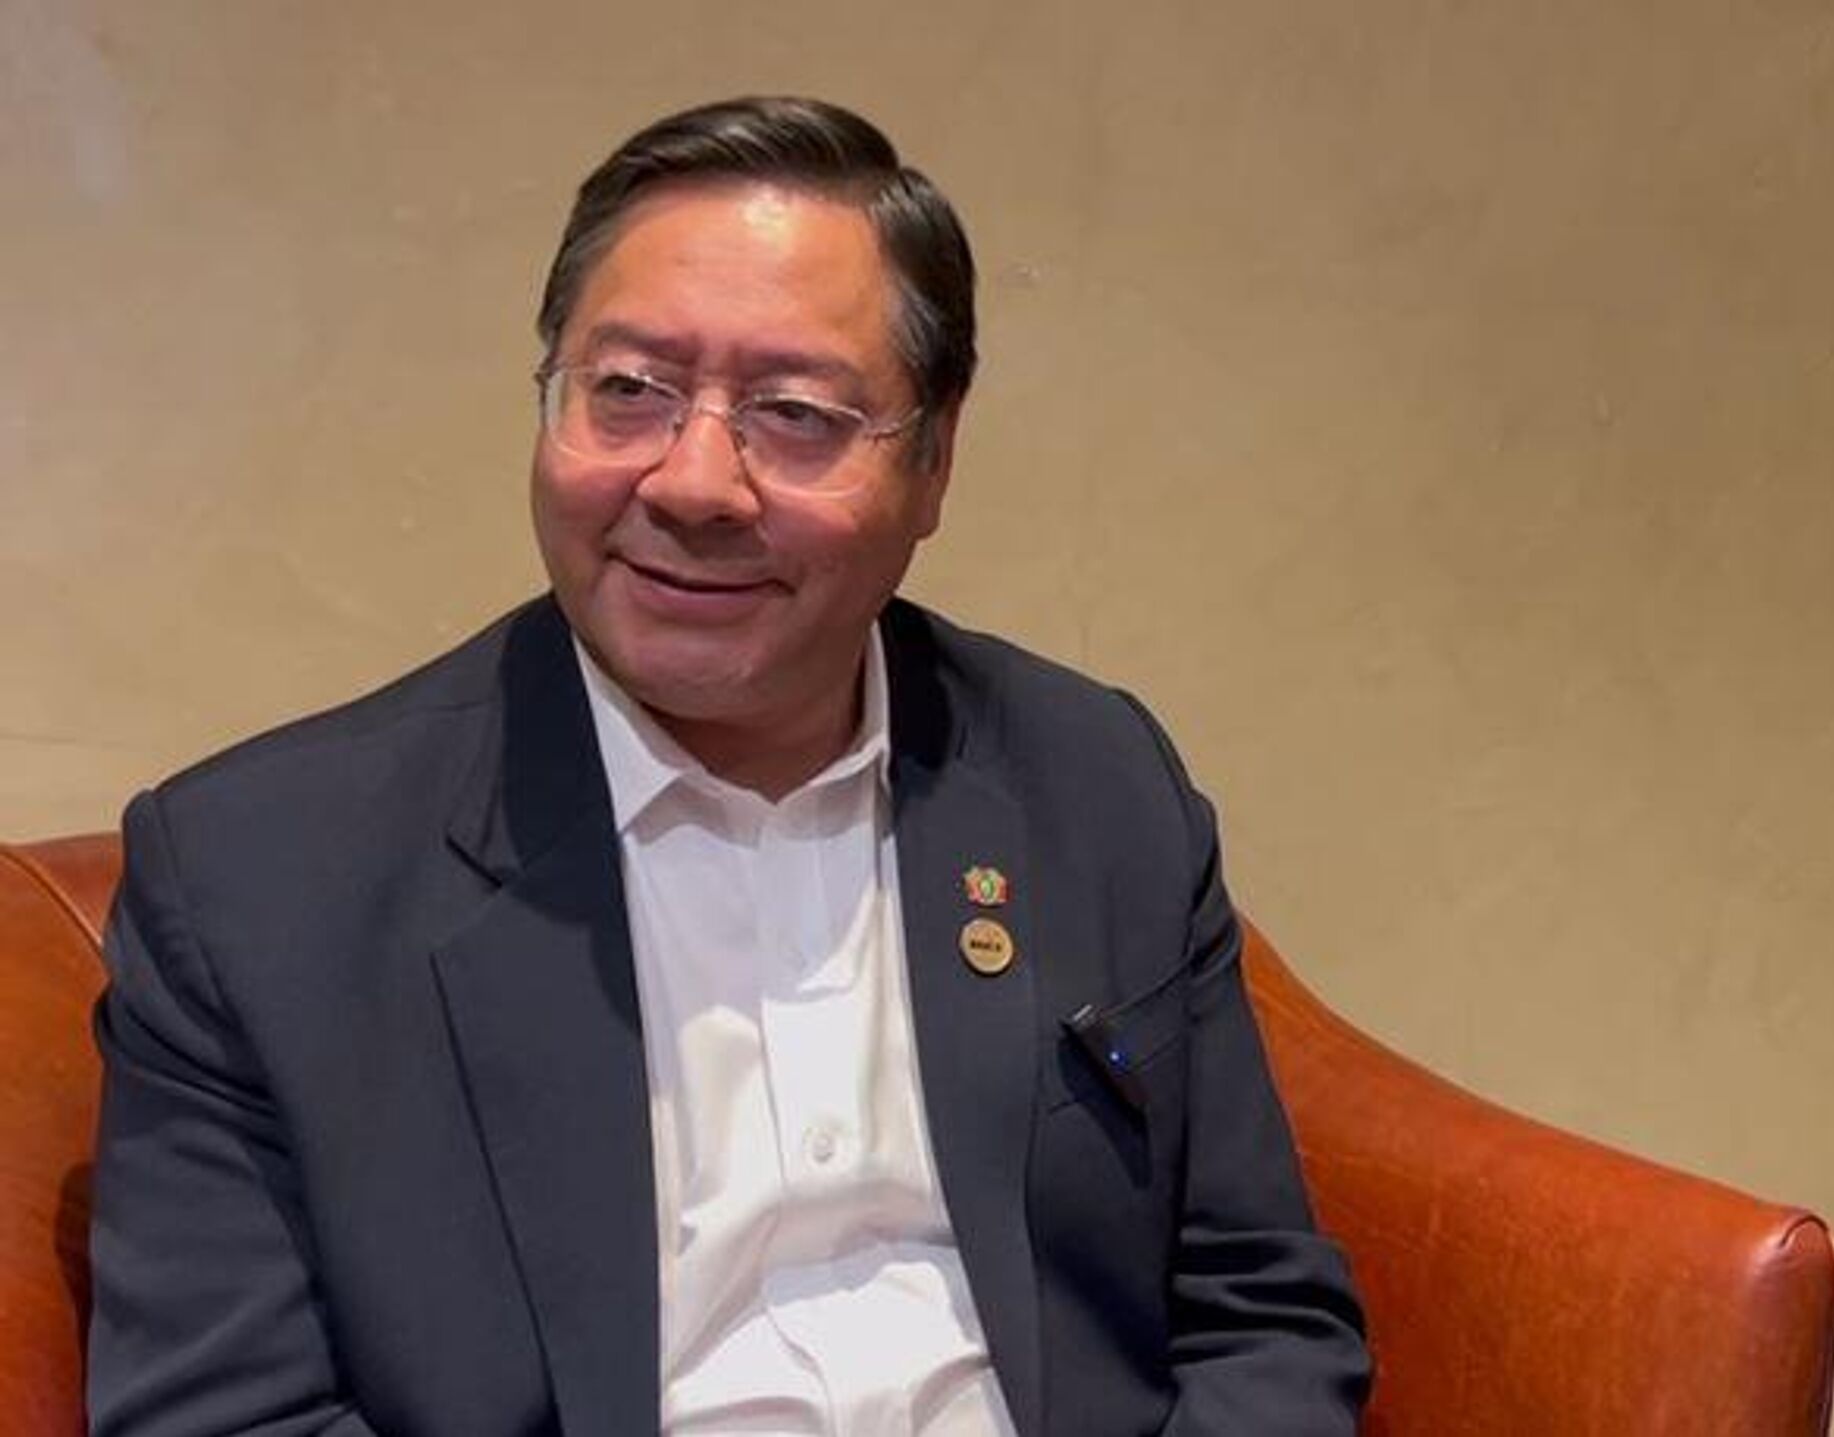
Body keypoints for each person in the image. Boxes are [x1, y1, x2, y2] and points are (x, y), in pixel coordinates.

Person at [87, 96, 1370, 1436]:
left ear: (934, 463)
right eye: (628, 391)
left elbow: (1257, 1308)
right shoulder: (258, 881)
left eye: (796, 412)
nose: (695, 482)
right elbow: (221, 1418)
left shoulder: (1093, 775)